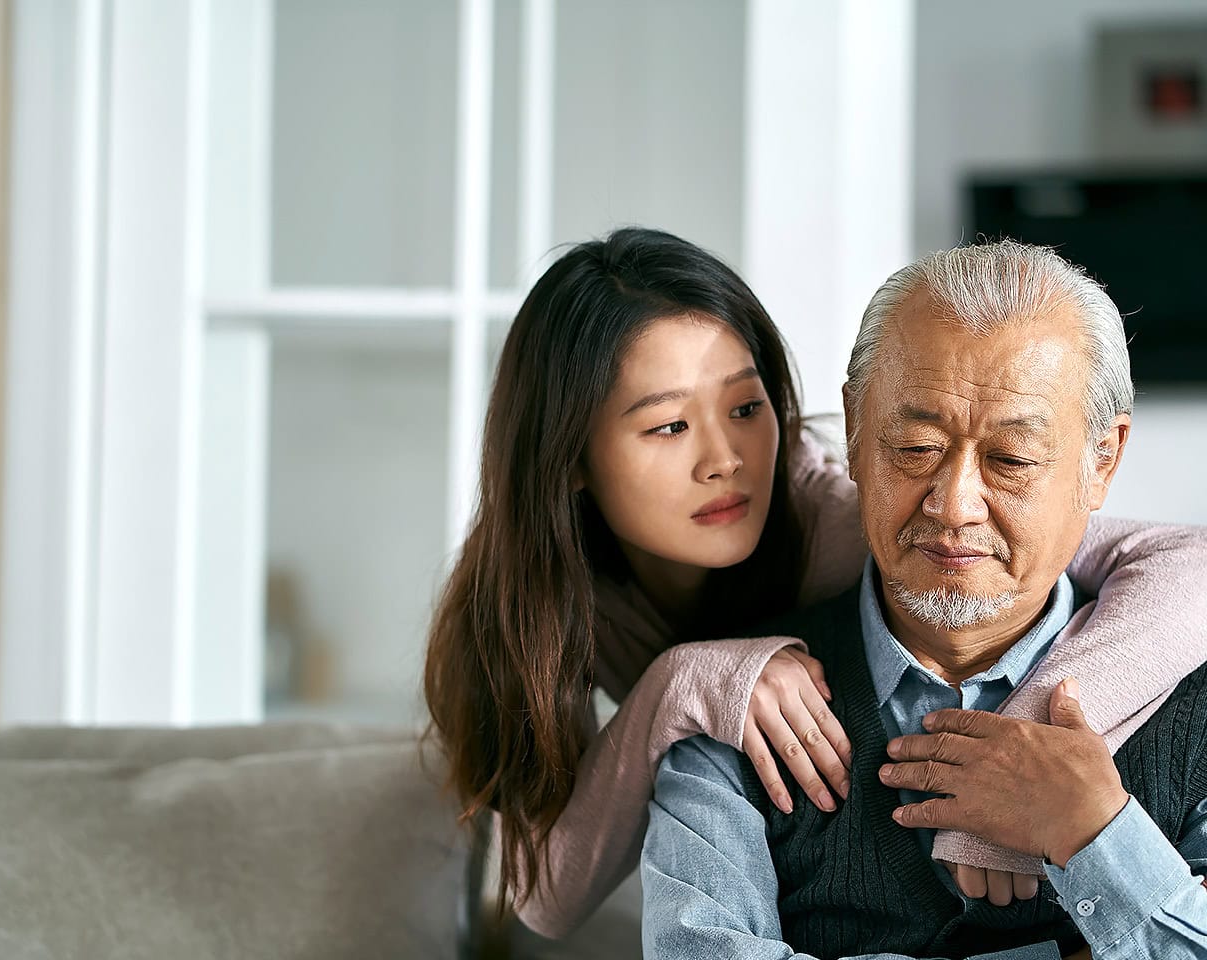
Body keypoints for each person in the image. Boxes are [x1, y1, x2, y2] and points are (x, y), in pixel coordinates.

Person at [423, 227, 1207, 937]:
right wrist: (680, 685)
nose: (724, 459)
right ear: (570, 458)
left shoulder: (849, 519)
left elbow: (1161, 563)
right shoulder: (530, 597)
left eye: (745, 406)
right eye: (667, 425)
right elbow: (546, 895)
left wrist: (1028, 750)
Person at [640, 239, 1207, 959]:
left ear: (1103, 462)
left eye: (1011, 460)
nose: (954, 504)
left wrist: (1097, 832)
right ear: (853, 431)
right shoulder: (737, 720)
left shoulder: (1198, 698)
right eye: (914, 448)